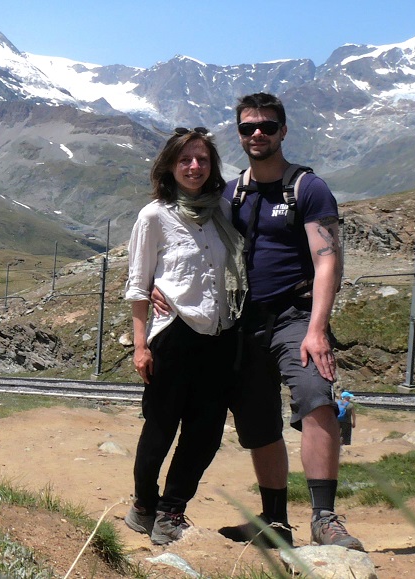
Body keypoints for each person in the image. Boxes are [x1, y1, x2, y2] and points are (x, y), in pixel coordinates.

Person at [153, 92, 363, 551]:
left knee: (315, 397)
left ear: (283, 130)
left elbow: (328, 260)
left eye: (267, 126)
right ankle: (274, 521)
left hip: (295, 316)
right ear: (239, 133)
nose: (258, 134)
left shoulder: (307, 188)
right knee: (256, 421)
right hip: (244, 321)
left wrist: (317, 329)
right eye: (248, 128)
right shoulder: (230, 192)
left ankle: (325, 519)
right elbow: (184, 235)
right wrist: (158, 283)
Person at [123, 126, 246, 545]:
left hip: (219, 334)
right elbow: (139, 286)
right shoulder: (154, 215)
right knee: (159, 429)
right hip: (173, 335)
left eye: (203, 160)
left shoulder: (222, 212)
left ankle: (171, 511)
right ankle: (143, 504)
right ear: (170, 167)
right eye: (185, 160)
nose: (194, 167)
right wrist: (140, 347)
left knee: (206, 433)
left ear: (212, 167)